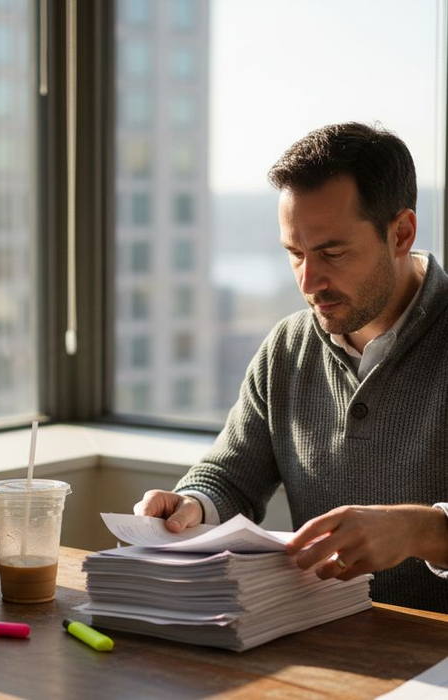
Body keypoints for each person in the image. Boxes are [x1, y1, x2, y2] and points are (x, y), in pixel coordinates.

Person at [134, 122, 448, 612]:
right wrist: (193, 505)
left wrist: (420, 530)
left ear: (401, 233)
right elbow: (231, 477)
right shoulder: (288, 346)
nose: (309, 280)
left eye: (332, 253)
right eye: (295, 254)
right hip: (325, 645)